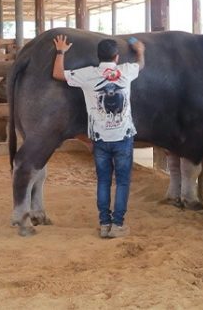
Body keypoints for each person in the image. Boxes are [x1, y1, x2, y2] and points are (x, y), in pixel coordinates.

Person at [52, 34, 145, 238]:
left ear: (98, 57)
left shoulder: (88, 75)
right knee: (122, 182)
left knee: (103, 181)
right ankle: (118, 225)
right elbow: (141, 64)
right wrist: (140, 50)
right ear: (117, 57)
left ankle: (104, 224)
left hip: (100, 139)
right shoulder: (125, 71)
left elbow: (58, 73)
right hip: (123, 137)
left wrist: (60, 52)